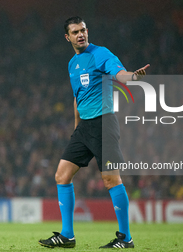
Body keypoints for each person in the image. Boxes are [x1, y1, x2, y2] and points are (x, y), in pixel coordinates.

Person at [39, 17, 149, 249]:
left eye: (83, 30)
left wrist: (133, 76)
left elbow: (120, 76)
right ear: (67, 37)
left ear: (87, 32)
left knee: (111, 179)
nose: (81, 35)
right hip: (84, 127)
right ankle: (67, 236)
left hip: (104, 124)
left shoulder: (101, 54)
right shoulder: (72, 64)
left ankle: (125, 238)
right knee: (62, 175)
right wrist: (76, 127)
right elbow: (77, 98)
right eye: (76, 32)